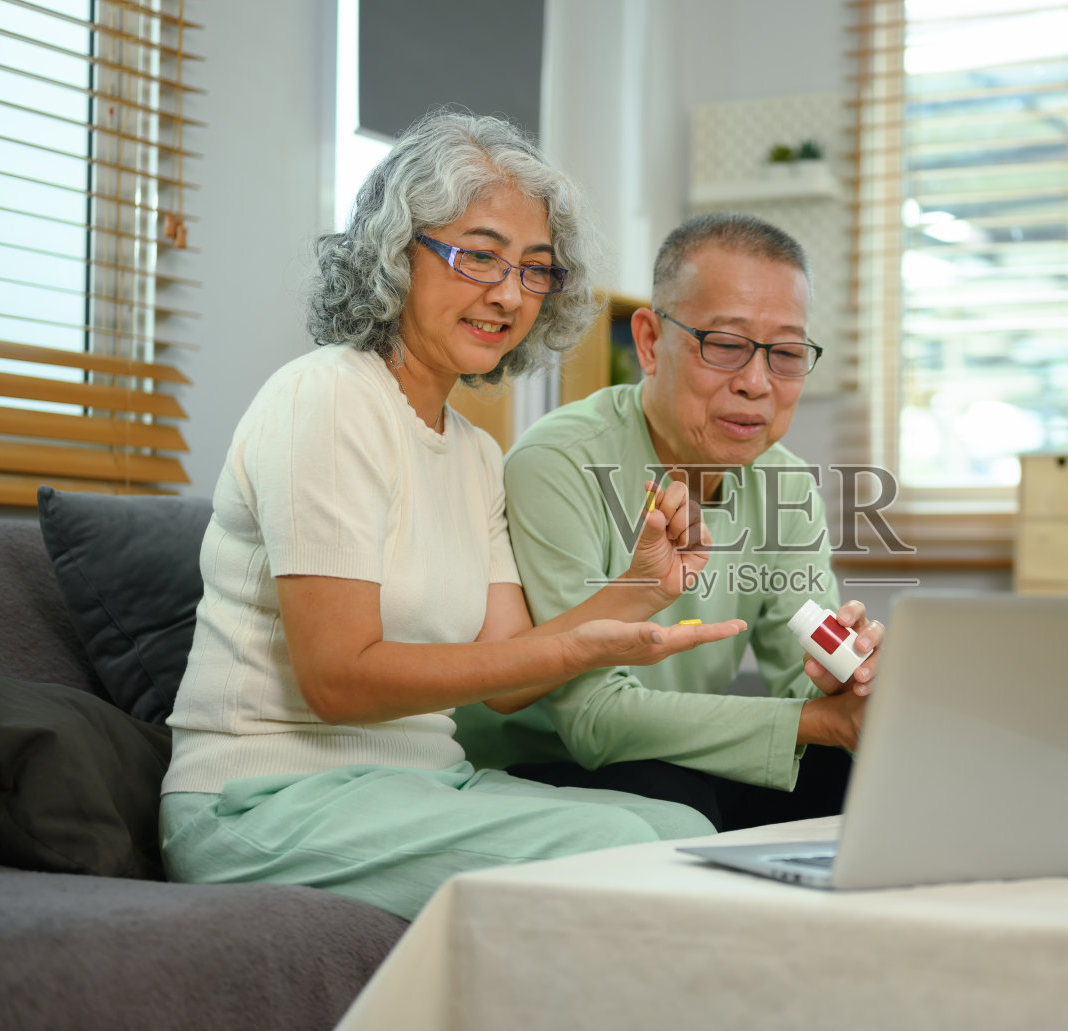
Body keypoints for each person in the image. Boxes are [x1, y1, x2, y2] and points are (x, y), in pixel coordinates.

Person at [158, 112, 743, 922]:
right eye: (478, 256)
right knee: (627, 858)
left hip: (421, 785)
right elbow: (336, 676)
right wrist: (579, 639)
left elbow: (503, 672)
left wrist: (635, 592)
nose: (506, 293)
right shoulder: (327, 396)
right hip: (265, 802)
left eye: (534, 271)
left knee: (681, 831)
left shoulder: (472, 454)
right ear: (398, 252)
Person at [453, 212, 886, 831]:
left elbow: (803, 679)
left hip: (676, 756)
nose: (757, 383)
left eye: (786, 353)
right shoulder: (558, 462)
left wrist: (853, 682)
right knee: (671, 794)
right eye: (727, 345)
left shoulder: (783, 481)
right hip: (538, 765)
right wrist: (816, 721)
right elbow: (595, 721)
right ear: (651, 343)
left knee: (859, 780)